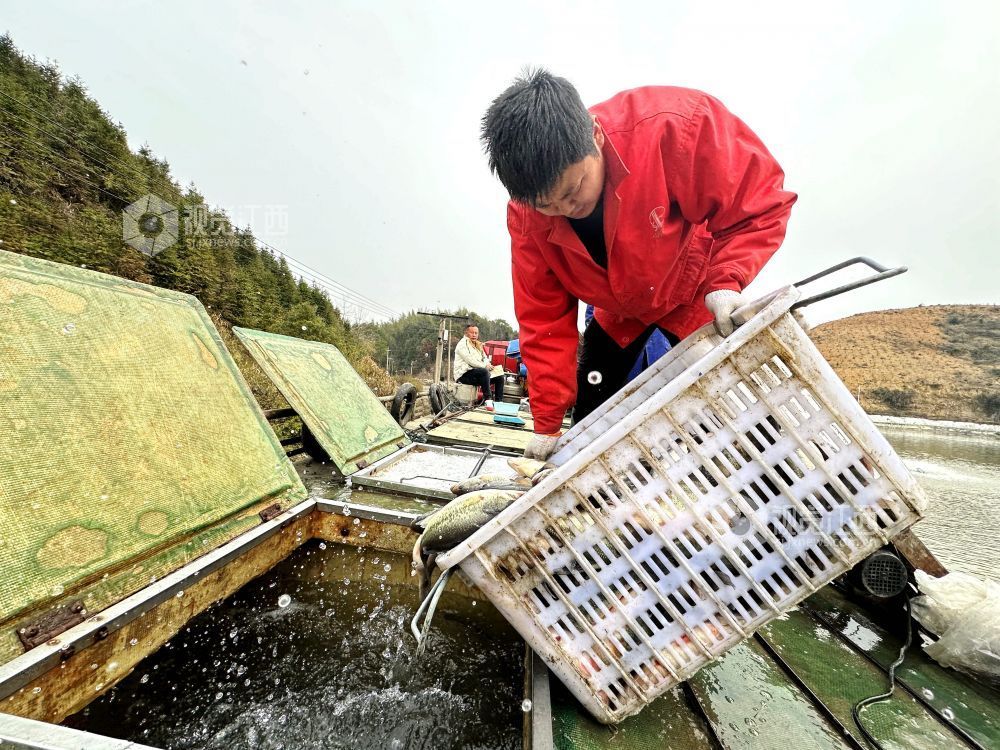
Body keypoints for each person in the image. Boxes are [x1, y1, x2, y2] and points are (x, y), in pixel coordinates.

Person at [481, 70, 796, 460]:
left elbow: (760, 203)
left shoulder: (674, 128)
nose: (564, 210)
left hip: (696, 291)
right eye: (547, 205)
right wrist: (547, 422)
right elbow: (543, 318)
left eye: (573, 189)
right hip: (619, 314)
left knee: (744, 417)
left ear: (595, 135)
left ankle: (825, 495)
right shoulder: (527, 217)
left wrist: (728, 279)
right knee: (588, 432)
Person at [453, 324, 504, 411]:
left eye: (476, 333)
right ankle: (488, 399)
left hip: (476, 374)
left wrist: (488, 364)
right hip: (463, 375)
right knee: (484, 372)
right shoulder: (462, 344)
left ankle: (499, 402)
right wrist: (485, 366)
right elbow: (470, 361)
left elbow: (484, 358)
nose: (474, 335)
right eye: (472, 332)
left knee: (499, 376)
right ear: (466, 333)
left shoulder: (477, 345)